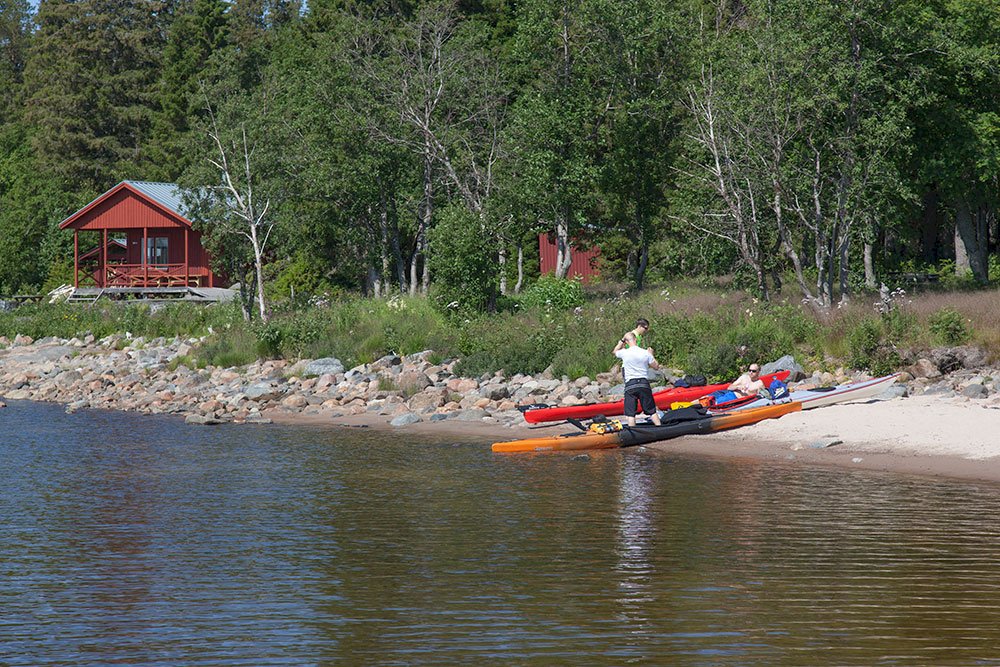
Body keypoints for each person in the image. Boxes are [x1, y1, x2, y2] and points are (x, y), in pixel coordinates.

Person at [613, 332, 662, 427]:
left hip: (631, 384)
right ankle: (659, 427)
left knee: (631, 414)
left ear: (626, 342)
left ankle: (633, 432)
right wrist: (651, 354)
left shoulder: (624, 352)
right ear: (635, 339)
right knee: (652, 410)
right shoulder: (645, 352)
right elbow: (656, 366)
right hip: (643, 383)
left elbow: (615, 351)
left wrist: (621, 342)